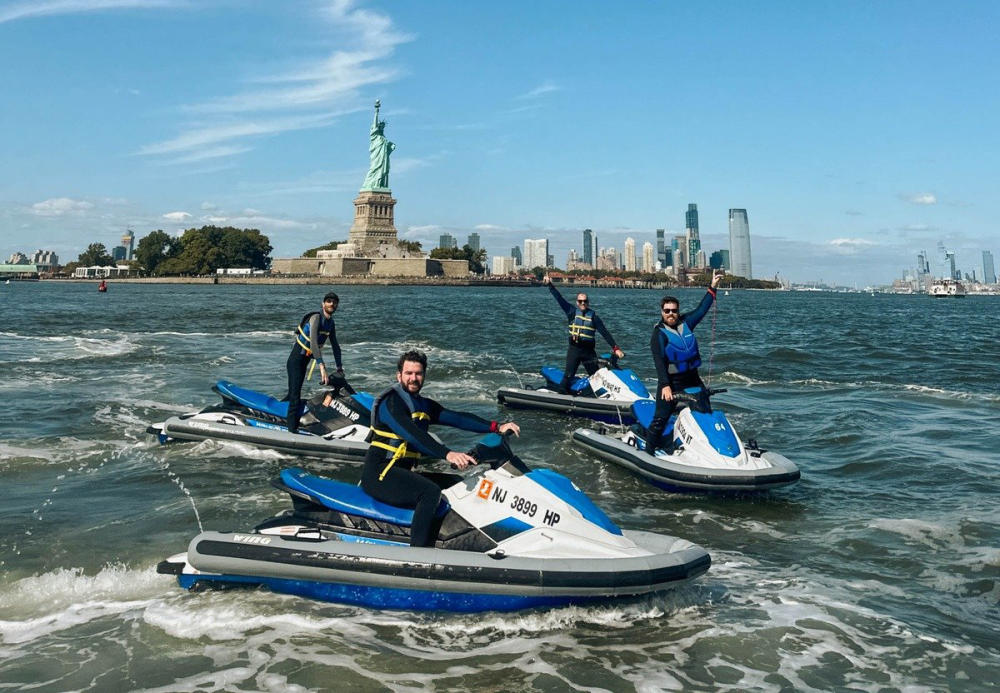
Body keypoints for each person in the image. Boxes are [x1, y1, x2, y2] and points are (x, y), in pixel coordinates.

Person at [361, 350, 520, 547]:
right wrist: (448, 454)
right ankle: (418, 552)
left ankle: (450, 540)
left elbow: (458, 418)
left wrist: (497, 427)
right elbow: (413, 434)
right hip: (380, 474)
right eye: (409, 373)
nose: (413, 378)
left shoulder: (423, 405)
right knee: (429, 492)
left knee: (456, 483)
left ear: (424, 376)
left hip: (401, 472)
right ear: (399, 375)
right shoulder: (391, 403)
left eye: (418, 373)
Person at [645, 270, 724, 453]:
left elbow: (702, 309)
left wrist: (712, 287)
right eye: (667, 311)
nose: (671, 314)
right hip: (671, 382)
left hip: (692, 377)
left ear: (678, 311)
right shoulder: (658, 334)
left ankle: (710, 447)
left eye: (674, 310)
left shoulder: (687, 322)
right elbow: (659, 361)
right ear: (662, 312)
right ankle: (647, 451)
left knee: (705, 410)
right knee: (661, 418)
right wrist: (665, 385)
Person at [543, 276, 625, 394]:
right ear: (577, 302)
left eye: (585, 301)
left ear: (588, 302)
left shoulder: (594, 318)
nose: (583, 303)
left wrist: (616, 348)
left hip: (589, 352)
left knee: (597, 377)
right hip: (574, 350)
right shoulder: (571, 312)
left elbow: (605, 333)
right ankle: (560, 394)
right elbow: (559, 298)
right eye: (580, 301)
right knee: (568, 376)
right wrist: (549, 285)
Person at [286, 292, 343, 434]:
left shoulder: (331, 323)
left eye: (334, 302)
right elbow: (313, 343)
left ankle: (277, 413)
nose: (332, 304)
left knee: (293, 393)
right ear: (323, 304)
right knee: (295, 397)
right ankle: (291, 432)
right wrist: (322, 366)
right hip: (295, 362)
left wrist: (340, 367)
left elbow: (335, 346)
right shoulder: (316, 318)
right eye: (329, 301)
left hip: (304, 362)